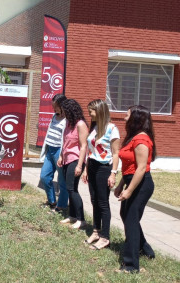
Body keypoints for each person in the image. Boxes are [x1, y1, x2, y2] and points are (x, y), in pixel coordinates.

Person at [114, 105, 156, 273]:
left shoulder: (142, 140)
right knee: (126, 215)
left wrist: (129, 190)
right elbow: (129, 166)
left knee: (131, 220)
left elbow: (140, 169)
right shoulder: (133, 137)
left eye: (127, 115)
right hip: (132, 180)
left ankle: (131, 265)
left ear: (136, 119)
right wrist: (121, 184)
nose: (124, 118)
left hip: (141, 185)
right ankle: (144, 249)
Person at [82, 99, 120, 250]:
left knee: (103, 202)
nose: (89, 113)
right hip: (92, 166)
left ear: (100, 111)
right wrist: (86, 169)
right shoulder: (95, 127)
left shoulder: (112, 129)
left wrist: (113, 174)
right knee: (94, 199)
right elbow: (90, 150)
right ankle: (96, 231)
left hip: (104, 168)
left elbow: (116, 154)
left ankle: (105, 237)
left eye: (91, 110)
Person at [57, 98, 88, 229]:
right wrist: (60, 156)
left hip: (75, 160)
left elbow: (83, 146)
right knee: (69, 189)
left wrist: (80, 165)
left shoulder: (80, 124)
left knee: (72, 189)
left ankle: (81, 219)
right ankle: (72, 216)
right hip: (66, 159)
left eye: (64, 111)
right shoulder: (69, 123)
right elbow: (64, 142)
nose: (63, 113)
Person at [39, 93, 68, 212]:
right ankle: (52, 201)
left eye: (56, 107)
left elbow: (67, 138)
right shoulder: (53, 116)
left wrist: (62, 154)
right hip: (50, 150)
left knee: (62, 181)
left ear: (62, 106)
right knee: (44, 177)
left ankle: (61, 206)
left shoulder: (67, 120)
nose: (54, 109)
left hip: (59, 152)